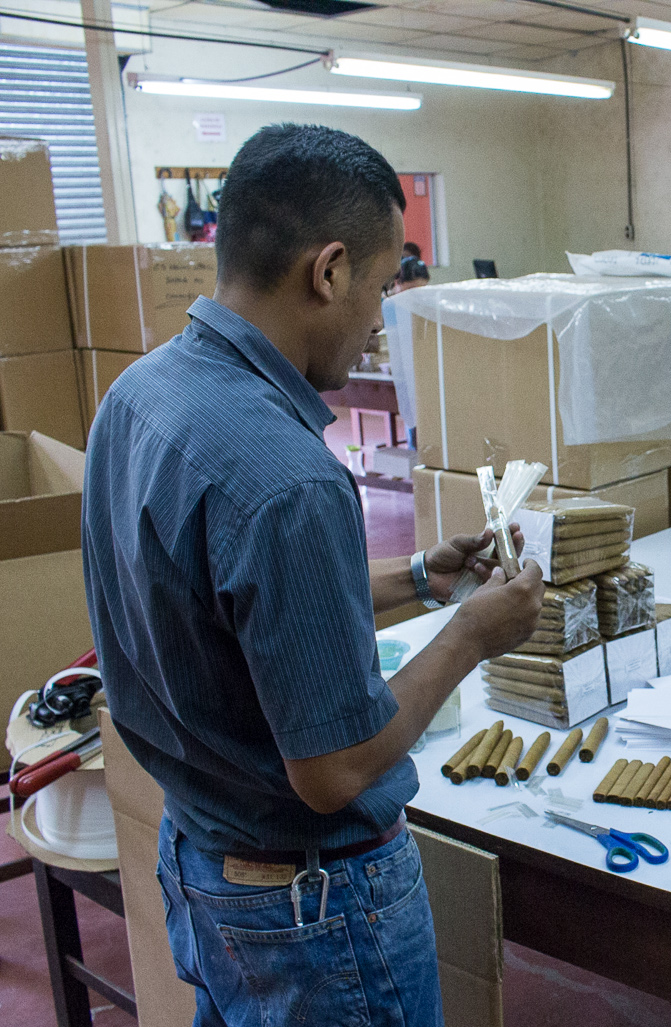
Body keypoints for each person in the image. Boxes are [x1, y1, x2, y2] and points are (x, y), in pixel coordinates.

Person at [81, 124, 546, 1027]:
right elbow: (333, 771)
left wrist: (419, 578)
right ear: (328, 272)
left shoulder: (138, 398)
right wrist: (473, 634)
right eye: (379, 288)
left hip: (206, 861)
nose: (379, 319)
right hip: (314, 909)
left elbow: (242, 614)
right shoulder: (287, 475)